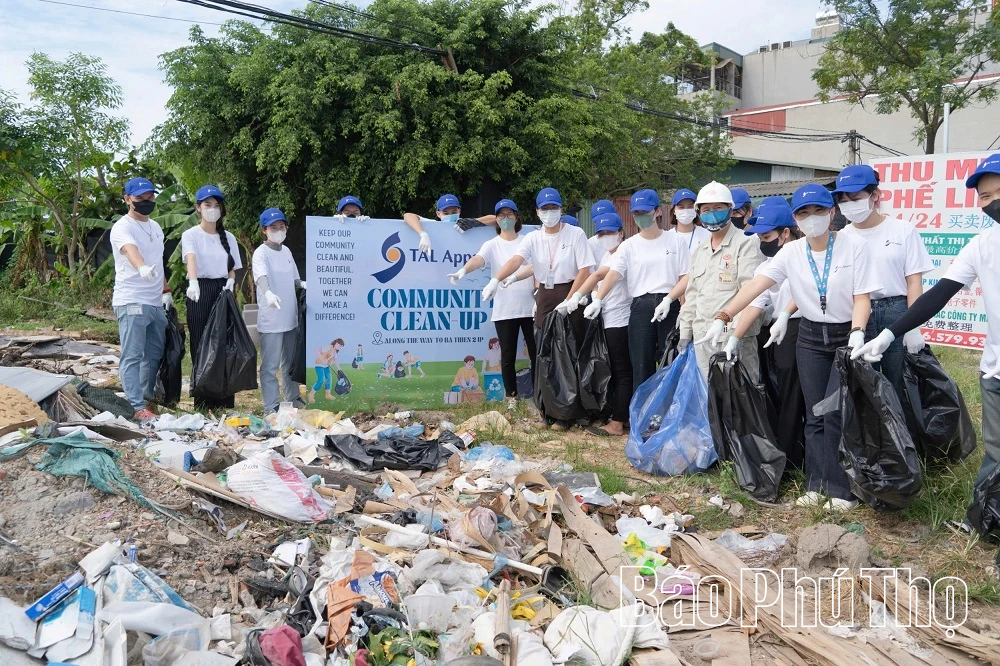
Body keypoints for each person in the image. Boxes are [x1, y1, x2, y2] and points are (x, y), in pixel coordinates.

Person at [709, 183, 880, 511]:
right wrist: (724, 315)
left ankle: (843, 490)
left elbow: (862, 297)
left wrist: (859, 331)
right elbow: (757, 286)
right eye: (804, 213)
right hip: (812, 338)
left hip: (848, 336)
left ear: (832, 212)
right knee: (815, 414)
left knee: (837, 412)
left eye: (818, 211)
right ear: (796, 220)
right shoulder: (791, 253)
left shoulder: (853, 246)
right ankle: (817, 485)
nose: (812, 218)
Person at [857, 153, 1000, 493]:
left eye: (999, 192)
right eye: (986, 196)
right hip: (995, 368)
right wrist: (893, 332)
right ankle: (986, 516)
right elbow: (940, 294)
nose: (993, 202)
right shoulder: (982, 245)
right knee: (996, 450)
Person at [491, 187, 596, 430]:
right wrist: (497, 279)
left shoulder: (575, 234)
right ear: (537, 212)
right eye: (545, 209)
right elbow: (517, 261)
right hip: (545, 297)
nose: (550, 212)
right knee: (544, 356)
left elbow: (585, 269)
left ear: (560, 209)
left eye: (554, 208)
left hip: (569, 294)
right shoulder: (533, 238)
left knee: (566, 356)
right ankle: (546, 412)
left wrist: (571, 299)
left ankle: (566, 415)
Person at [836, 164, 932, 401]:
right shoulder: (841, 239)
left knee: (897, 380)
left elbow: (914, 282)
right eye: (843, 200)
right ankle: (873, 436)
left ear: (875, 195)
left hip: (896, 311)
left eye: (855, 198)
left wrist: (913, 325)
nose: (849, 204)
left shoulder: (902, 231)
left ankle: (901, 436)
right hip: (858, 314)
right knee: (863, 383)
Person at [728, 197, 806, 469]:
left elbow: (808, 290)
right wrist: (733, 334)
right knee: (786, 393)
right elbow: (754, 301)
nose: (763, 241)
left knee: (805, 397)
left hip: (806, 327)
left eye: (768, 235)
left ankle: (802, 457)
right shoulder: (767, 265)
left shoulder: (805, 253)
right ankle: (792, 456)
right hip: (781, 334)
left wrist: (786, 312)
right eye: (760, 236)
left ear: (786, 232)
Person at [584, 190, 690, 389]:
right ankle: (643, 415)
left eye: (645, 212)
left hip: (670, 303)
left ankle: (669, 413)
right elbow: (613, 274)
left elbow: (685, 276)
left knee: (671, 361)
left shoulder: (676, 241)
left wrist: (674, 302)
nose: (640, 217)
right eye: (636, 213)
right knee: (641, 364)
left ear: (657, 211)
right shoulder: (629, 246)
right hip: (641, 306)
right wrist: (598, 298)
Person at [449, 199, 537, 407]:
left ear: (517, 216)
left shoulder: (528, 240)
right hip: (505, 309)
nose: (506, 219)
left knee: (537, 354)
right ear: (496, 219)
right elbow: (478, 260)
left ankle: (540, 396)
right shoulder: (492, 244)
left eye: (509, 214)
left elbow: (535, 267)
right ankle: (511, 398)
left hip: (530, 307)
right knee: (507, 356)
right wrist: (463, 271)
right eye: (501, 215)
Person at [680, 181, 765, 380]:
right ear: (699, 213)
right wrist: (685, 332)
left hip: (734, 338)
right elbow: (692, 295)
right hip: (703, 336)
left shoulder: (746, 243)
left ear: (730, 209)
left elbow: (752, 294)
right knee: (710, 400)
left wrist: (736, 336)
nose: (712, 213)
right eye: (706, 209)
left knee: (742, 400)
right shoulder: (700, 250)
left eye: (718, 208)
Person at [110, 177, 170, 422]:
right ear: (127, 199)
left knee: (153, 354)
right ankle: (135, 406)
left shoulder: (156, 227)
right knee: (133, 354)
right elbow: (130, 251)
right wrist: (142, 267)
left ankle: (145, 399)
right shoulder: (122, 227)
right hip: (131, 299)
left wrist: (166, 292)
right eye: (140, 197)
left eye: (150, 196)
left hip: (155, 301)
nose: (147, 201)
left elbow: (159, 261)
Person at [182, 185, 243, 412]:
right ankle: (203, 402)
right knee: (201, 345)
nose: (212, 209)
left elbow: (232, 268)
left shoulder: (229, 237)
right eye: (207, 204)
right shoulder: (191, 234)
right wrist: (193, 281)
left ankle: (225, 402)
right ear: (198, 208)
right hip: (200, 290)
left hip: (223, 291)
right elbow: (191, 258)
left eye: (216, 205)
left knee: (225, 347)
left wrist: (230, 281)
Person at [575, 212, 633, 435]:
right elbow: (598, 278)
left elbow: (599, 275)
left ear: (621, 233)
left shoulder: (623, 253)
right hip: (610, 318)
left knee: (622, 372)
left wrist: (580, 295)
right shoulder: (608, 255)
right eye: (601, 233)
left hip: (621, 318)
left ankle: (618, 422)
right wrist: (582, 296)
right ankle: (622, 416)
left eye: (611, 232)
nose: (606, 236)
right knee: (619, 371)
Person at [253, 208, 306, 414]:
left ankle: (293, 398)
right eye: (273, 227)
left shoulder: (286, 251)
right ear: (264, 230)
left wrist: (303, 283)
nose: (278, 230)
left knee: (289, 363)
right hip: (272, 318)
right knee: (270, 366)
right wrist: (267, 294)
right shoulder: (261, 253)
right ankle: (271, 405)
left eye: (281, 227)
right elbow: (261, 277)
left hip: (289, 317)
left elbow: (294, 278)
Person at [402, 194, 498, 254]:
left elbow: (496, 219)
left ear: (459, 211)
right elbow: (408, 216)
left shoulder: (465, 224)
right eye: (446, 213)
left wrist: (474, 222)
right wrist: (423, 234)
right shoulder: (433, 225)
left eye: (453, 212)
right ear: (438, 214)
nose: (450, 215)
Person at [666, 188, 710, 256]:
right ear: (674, 210)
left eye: (690, 207)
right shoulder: (667, 237)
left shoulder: (707, 235)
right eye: (681, 207)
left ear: (696, 209)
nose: (686, 211)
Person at [308, 339, 343, 403]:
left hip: (326, 366)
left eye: (341, 346)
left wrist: (339, 368)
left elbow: (335, 360)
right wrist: (322, 360)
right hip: (319, 365)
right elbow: (316, 351)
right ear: (336, 343)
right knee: (321, 380)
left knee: (329, 379)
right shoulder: (328, 347)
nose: (339, 347)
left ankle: (328, 394)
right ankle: (311, 394)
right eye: (339, 345)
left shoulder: (335, 352)